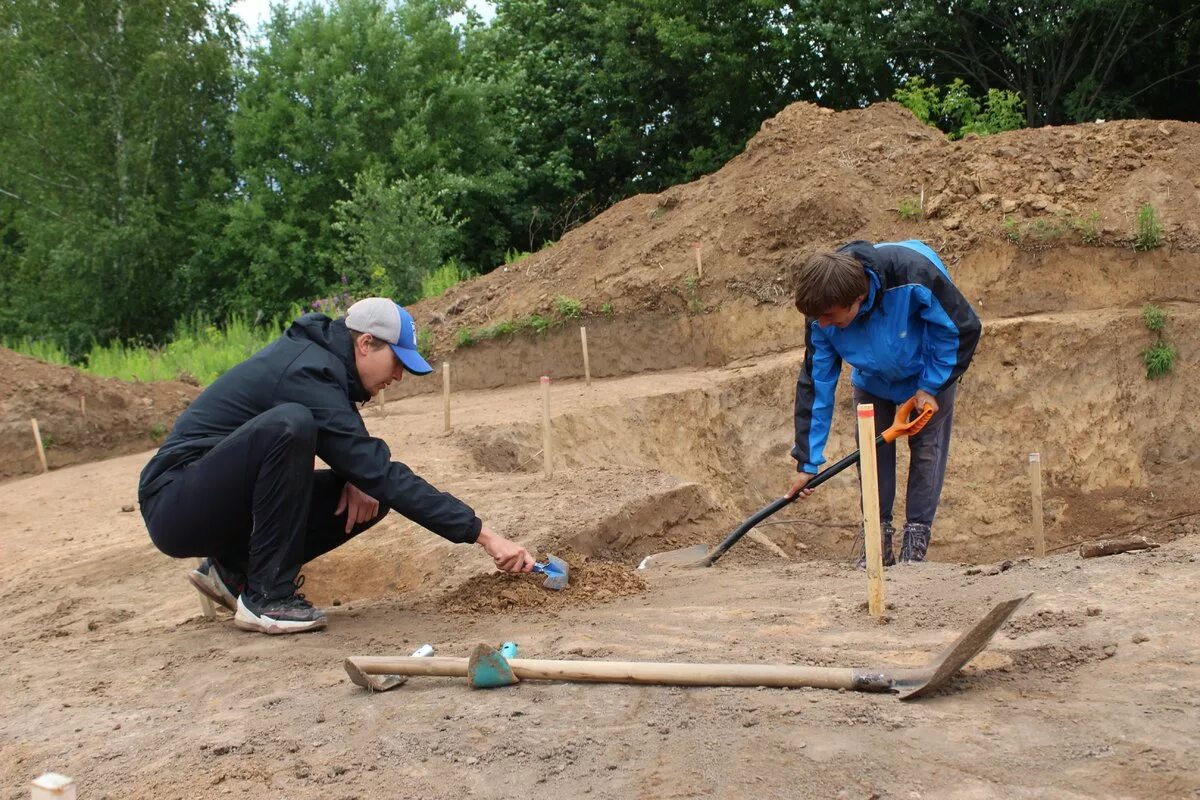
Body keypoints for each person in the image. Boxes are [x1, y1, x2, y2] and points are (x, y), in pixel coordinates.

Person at [138, 297, 534, 635]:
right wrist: (485, 536)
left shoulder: (323, 369)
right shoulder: (306, 369)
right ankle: (267, 597)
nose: (399, 375)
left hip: (212, 502)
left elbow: (364, 461)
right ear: (365, 343)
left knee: (371, 496)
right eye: (397, 361)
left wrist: (354, 474)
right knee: (290, 424)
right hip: (175, 502)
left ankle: (234, 572)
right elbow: (380, 469)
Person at [786, 240, 981, 565]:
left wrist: (931, 385)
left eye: (831, 317)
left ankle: (914, 548)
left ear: (857, 299)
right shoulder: (822, 310)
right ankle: (878, 546)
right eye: (818, 318)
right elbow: (818, 385)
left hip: (927, 373)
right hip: (872, 380)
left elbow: (961, 328)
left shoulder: (913, 274)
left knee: (927, 453)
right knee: (872, 456)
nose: (824, 324)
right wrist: (808, 464)